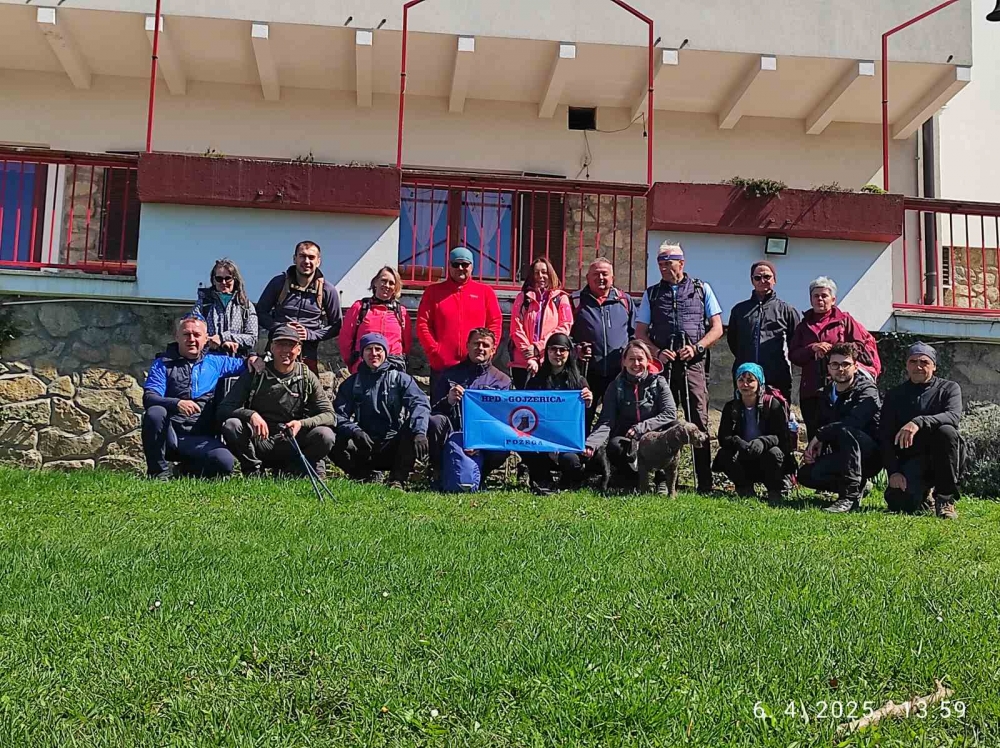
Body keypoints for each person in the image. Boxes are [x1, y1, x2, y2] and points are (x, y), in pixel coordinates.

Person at [634, 242, 723, 493]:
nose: (663, 267)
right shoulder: (652, 294)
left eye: (668, 263)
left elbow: (717, 328)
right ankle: (663, 481)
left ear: (681, 263)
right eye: (660, 263)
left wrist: (697, 348)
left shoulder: (701, 289)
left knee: (699, 419)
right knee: (664, 420)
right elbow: (640, 332)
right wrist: (657, 352)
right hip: (664, 367)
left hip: (693, 365)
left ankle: (704, 482)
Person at [141, 313, 261, 480]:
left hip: (200, 439)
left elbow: (246, 363)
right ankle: (158, 474)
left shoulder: (216, 362)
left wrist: (253, 357)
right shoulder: (162, 364)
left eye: (196, 335)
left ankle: (183, 471)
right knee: (155, 412)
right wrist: (177, 403)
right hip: (169, 437)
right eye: (186, 334)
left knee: (225, 464)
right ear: (177, 337)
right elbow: (149, 397)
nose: (191, 339)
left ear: (206, 339)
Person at [218, 325, 336, 478]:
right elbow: (224, 409)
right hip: (260, 440)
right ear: (272, 348)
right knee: (232, 425)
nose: (285, 350)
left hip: (292, 441)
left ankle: (293, 470)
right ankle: (253, 471)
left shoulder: (307, 376)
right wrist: (250, 415)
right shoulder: (256, 373)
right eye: (280, 344)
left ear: (299, 349)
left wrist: (301, 424)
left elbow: (330, 415)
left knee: (325, 435)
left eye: (291, 345)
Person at [333, 333, 449, 488]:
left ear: (385, 353)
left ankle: (397, 480)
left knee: (417, 425)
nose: (374, 353)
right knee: (331, 436)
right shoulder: (352, 383)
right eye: (368, 349)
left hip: (395, 444)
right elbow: (337, 415)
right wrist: (354, 431)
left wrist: (420, 432)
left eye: (378, 349)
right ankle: (363, 475)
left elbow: (420, 404)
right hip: (364, 443)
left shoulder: (400, 379)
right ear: (362, 353)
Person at [788, 276, 881, 439]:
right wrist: (812, 349)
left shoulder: (845, 321)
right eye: (816, 296)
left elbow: (859, 347)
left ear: (833, 299)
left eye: (824, 295)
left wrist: (834, 350)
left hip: (842, 388)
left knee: (841, 433)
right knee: (815, 435)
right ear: (810, 299)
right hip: (811, 390)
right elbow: (794, 355)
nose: (820, 299)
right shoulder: (803, 326)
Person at [880, 342, 963, 519]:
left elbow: (953, 416)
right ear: (906, 366)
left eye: (924, 362)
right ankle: (925, 495)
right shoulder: (895, 395)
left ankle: (945, 498)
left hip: (943, 458)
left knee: (947, 431)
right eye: (913, 361)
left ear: (934, 366)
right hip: (913, 459)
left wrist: (918, 422)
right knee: (899, 503)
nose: (918, 366)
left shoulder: (949, 389)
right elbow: (885, 436)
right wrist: (894, 472)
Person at [796, 343, 882, 513]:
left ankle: (849, 497)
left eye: (845, 364)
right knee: (806, 474)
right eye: (835, 364)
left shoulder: (868, 391)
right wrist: (816, 449)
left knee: (846, 431)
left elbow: (854, 422)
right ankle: (858, 486)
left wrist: (820, 435)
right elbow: (823, 425)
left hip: (870, 455)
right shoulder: (824, 393)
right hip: (843, 456)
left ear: (855, 367)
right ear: (829, 368)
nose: (840, 369)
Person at [585, 340, 678, 493]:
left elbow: (670, 412)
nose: (636, 364)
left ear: (648, 360)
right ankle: (634, 479)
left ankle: (662, 479)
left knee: (674, 427)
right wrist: (591, 444)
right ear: (624, 362)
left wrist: (641, 428)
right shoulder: (615, 386)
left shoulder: (659, 382)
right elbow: (606, 420)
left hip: (655, 438)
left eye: (640, 359)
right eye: (631, 359)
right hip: (628, 439)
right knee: (614, 446)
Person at [428, 327, 512, 488]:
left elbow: (502, 419)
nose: (480, 348)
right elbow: (434, 410)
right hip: (453, 434)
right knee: (435, 421)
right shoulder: (450, 375)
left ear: (493, 350)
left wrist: (480, 441)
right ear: (467, 346)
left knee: (504, 442)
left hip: (486, 436)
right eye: (476, 343)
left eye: (485, 345)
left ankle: (480, 475)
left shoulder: (502, 381)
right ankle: (439, 472)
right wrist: (449, 400)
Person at [416, 246, 504, 394]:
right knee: (441, 406)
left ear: (472, 266)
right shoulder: (433, 292)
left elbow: (495, 322)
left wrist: (489, 349)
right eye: (456, 264)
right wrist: (434, 351)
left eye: (465, 264)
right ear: (449, 266)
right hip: (443, 366)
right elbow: (423, 324)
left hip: (475, 367)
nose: (460, 268)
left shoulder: (485, 292)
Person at [521, 333, 593, 494]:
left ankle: (569, 480)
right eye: (553, 349)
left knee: (571, 461)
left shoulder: (579, 382)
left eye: (562, 350)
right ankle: (543, 479)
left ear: (569, 352)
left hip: (568, 441)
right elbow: (527, 412)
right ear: (547, 352)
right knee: (524, 447)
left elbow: (583, 418)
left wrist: (588, 401)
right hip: (540, 439)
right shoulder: (536, 381)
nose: (558, 354)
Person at [257, 240, 343, 373]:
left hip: (307, 353)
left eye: (311, 257)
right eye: (302, 256)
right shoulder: (278, 283)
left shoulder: (327, 290)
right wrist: (280, 328)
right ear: (294, 259)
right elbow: (260, 312)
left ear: (318, 261)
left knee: (308, 385)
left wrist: (310, 334)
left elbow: (337, 325)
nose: (306, 261)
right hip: (278, 349)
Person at [570, 257, 635, 432]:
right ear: (587, 278)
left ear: (612, 277)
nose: (600, 278)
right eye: (596, 274)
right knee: (583, 418)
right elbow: (564, 335)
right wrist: (576, 349)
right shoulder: (575, 301)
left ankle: (615, 449)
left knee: (618, 419)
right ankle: (582, 449)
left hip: (618, 373)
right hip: (587, 372)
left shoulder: (625, 301)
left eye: (605, 274)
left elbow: (634, 335)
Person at [713, 363, 792, 501]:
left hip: (766, 458)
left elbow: (781, 436)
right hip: (743, 456)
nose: (745, 384)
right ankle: (745, 489)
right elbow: (724, 437)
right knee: (724, 454)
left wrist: (762, 442)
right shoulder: (731, 407)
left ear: (759, 382)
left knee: (774, 453)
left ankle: (775, 490)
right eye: (741, 380)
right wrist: (739, 442)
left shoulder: (772, 405)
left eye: (750, 380)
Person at [726, 260, 801, 403]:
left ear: (774, 279)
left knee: (776, 412)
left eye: (767, 277)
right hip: (746, 375)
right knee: (745, 413)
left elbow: (795, 342)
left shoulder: (786, 310)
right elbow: (732, 341)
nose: (762, 281)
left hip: (776, 375)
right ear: (752, 280)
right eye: (757, 277)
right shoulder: (739, 310)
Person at [509, 256, 574, 389]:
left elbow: (564, 326)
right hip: (523, 363)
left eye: (544, 272)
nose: (540, 276)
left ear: (550, 274)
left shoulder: (561, 298)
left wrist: (538, 348)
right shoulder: (522, 298)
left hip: (549, 361)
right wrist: (529, 354)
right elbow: (516, 327)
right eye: (536, 273)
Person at [338, 265, 411, 374]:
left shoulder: (401, 312)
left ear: (396, 288)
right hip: (364, 367)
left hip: (393, 369)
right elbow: (345, 339)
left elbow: (407, 344)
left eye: (391, 283)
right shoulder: (359, 308)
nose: (387, 285)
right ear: (375, 282)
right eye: (383, 281)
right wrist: (352, 363)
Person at [192, 258, 259, 357]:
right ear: (213, 280)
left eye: (228, 278)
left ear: (235, 279)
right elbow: (193, 331)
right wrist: (210, 341)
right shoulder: (202, 304)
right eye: (219, 279)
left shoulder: (246, 306)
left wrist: (223, 337)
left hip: (237, 360)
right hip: (208, 359)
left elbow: (252, 338)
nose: (223, 282)